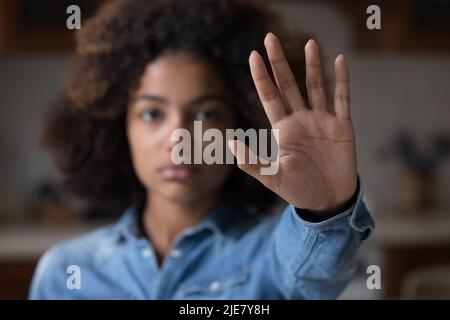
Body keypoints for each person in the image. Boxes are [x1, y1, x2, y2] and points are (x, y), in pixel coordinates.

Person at [29, 0, 374, 299]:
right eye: (152, 114)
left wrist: (324, 211)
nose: (179, 137)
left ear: (243, 126)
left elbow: (312, 274)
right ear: (119, 129)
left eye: (207, 114)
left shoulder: (271, 258)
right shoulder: (65, 273)